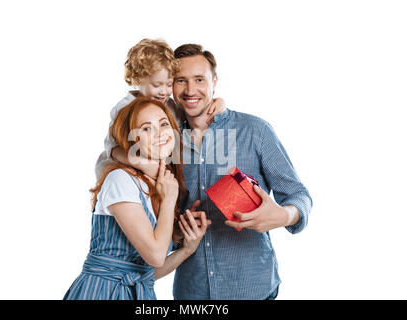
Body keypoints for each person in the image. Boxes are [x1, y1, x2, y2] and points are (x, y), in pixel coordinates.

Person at [171, 44, 313, 300]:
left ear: (214, 81)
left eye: (199, 79)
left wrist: (284, 215)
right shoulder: (165, 142)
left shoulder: (255, 131)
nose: (191, 90)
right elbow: (157, 222)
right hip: (192, 293)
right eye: (181, 80)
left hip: (253, 289)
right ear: (171, 85)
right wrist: (178, 231)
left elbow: (298, 194)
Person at [63, 97, 209, 300]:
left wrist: (187, 248)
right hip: (101, 293)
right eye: (146, 129)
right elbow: (156, 256)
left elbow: (144, 274)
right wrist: (168, 202)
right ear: (132, 141)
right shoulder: (120, 179)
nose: (159, 133)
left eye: (164, 124)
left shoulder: (159, 185)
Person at [95, 38, 225, 180]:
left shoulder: (169, 105)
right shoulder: (124, 108)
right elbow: (111, 148)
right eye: (157, 85)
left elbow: (192, 115)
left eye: (169, 84)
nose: (163, 92)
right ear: (137, 79)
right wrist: (141, 163)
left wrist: (219, 103)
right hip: (130, 169)